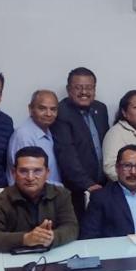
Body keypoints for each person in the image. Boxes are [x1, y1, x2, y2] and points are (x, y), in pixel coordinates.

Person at [0, 146, 77, 252]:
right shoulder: (0, 201)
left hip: (51, 256)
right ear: (14, 173)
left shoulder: (61, 195)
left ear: (47, 173)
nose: (30, 177)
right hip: (10, 259)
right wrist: (25, 239)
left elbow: (71, 227)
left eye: (37, 171)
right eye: (23, 171)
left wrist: (51, 237)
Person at [52, 67, 109, 216]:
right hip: (77, 189)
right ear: (68, 89)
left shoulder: (101, 109)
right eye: (78, 87)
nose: (84, 92)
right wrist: (87, 184)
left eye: (89, 87)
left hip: (103, 186)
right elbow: (66, 154)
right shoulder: (61, 112)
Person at [7, 90, 61, 186]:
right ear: (30, 109)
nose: (48, 114)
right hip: (30, 194)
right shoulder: (24, 136)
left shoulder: (49, 132)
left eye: (53, 109)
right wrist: (60, 189)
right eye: (42, 108)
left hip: (50, 193)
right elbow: (27, 178)